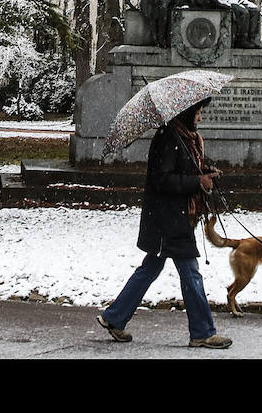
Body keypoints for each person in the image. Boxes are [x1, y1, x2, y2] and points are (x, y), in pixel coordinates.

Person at [96, 98, 233, 349]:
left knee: (150, 268)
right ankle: (202, 332)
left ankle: (114, 317)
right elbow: (162, 180)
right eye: (198, 113)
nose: (200, 118)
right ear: (188, 113)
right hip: (168, 220)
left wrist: (205, 171)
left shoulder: (183, 137)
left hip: (172, 218)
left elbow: (184, 170)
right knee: (190, 272)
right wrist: (197, 182)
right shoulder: (168, 138)